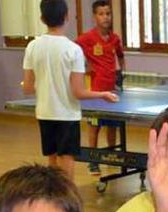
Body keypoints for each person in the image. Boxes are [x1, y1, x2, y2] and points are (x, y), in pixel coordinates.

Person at [22, 0, 119, 181]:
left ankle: (54, 198)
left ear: (42, 18)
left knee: (52, 158)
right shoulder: (73, 50)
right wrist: (102, 94)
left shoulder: (32, 47)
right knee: (66, 159)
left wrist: (42, 85)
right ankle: (66, 198)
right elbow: (78, 92)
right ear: (66, 17)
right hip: (66, 114)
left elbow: (27, 88)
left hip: (44, 113)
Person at [76, 0, 126, 176]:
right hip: (96, 92)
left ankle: (111, 156)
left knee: (113, 125)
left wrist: (122, 74)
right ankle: (93, 160)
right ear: (94, 16)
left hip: (112, 90)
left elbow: (120, 56)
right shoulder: (87, 38)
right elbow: (72, 51)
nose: (105, 17)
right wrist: (84, 68)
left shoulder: (114, 38)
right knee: (94, 126)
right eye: (101, 14)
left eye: (108, 13)